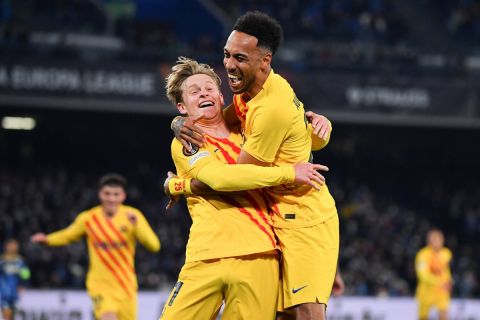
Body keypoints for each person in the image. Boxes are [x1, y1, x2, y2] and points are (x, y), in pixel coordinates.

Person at [172, 11, 340, 320]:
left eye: (240, 57)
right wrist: (180, 120)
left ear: (265, 60)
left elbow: (239, 177)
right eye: (226, 54)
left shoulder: (269, 109)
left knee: (305, 315)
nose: (229, 65)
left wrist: (177, 185)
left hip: (301, 219)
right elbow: (219, 120)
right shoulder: (249, 90)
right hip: (275, 219)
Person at [31, 173, 160, 320]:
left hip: (126, 286)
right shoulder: (89, 218)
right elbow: (68, 235)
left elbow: (154, 246)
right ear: (100, 194)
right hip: (99, 285)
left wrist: (137, 226)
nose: (111, 198)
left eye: (116, 194)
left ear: (123, 196)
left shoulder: (133, 216)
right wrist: (47, 240)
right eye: (107, 194)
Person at [415, 229, 453, 320]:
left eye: (439, 239)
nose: (437, 241)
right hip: (426, 292)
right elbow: (422, 275)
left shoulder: (446, 253)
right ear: (429, 241)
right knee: (423, 317)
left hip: (441, 292)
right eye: (434, 239)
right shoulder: (422, 255)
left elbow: (446, 271)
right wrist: (439, 282)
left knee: (444, 315)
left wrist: (449, 281)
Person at [0, 239, 30, 320]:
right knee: (7, 315)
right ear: (6, 247)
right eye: (12, 245)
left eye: (15, 246)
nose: (14, 248)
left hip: (15, 292)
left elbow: (26, 275)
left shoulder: (20, 261)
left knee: (14, 314)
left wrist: (23, 284)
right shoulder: (2, 260)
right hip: (4, 292)